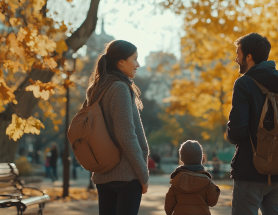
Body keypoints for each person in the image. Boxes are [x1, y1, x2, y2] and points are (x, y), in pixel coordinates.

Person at [226, 33, 278, 215]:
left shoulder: (244, 83)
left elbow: (237, 132)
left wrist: (229, 131)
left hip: (251, 169)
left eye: (238, 53)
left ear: (248, 57)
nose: (236, 58)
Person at [86, 40, 149, 215]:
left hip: (103, 175)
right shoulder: (120, 88)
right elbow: (126, 134)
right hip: (126, 176)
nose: (138, 64)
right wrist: (143, 175)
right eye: (135, 59)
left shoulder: (96, 89)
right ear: (121, 62)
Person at [164, 140, 220, 215]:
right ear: (200, 158)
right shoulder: (206, 182)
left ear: (182, 158)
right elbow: (212, 202)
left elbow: (168, 206)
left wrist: (169, 212)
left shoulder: (176, 182)